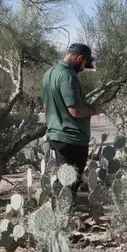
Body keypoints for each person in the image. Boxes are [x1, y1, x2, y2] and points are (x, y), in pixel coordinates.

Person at [41, 43, 102, 199]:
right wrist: (95, 110)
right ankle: (60, 218)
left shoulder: (49, 73)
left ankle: (59, 216)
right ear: (80, 58)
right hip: (71, 138)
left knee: (64, 181)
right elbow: (75, 111)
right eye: (83, 65)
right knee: (68, 185)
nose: (82, 69)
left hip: (56, 135)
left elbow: (49, 105)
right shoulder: (67, 76)